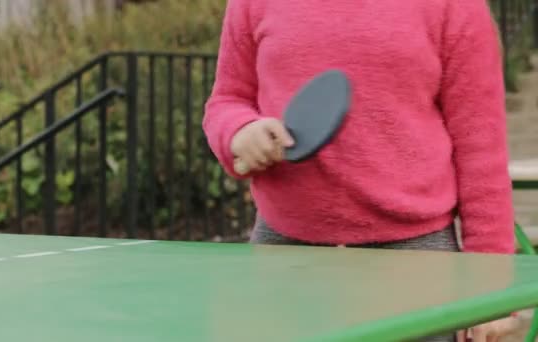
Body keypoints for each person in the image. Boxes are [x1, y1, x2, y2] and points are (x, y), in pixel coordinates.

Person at [202, 0, 520, 341]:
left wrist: (492, 285)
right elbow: (227, 100)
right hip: (283, 251)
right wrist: (238, 131)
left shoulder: (455, 7)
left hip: (414, 262)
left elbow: (481, 149)